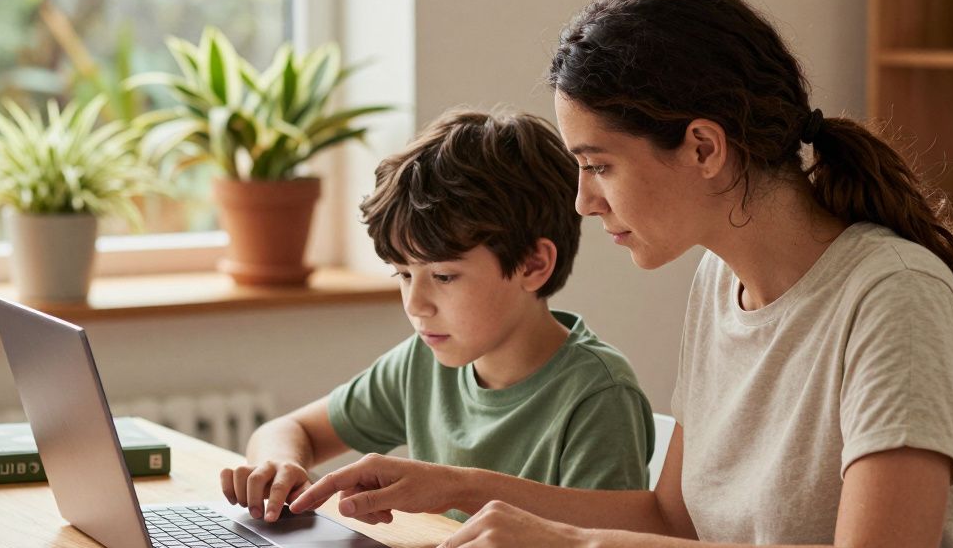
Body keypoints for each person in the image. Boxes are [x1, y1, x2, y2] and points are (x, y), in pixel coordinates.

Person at [287, 0, 953, 548]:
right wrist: (460, 485)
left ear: (703, 147)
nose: (582, 202)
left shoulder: (892, 294)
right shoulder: (719, 281)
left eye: (598, 165)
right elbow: (673, 520)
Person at [219, 108, 654, 524]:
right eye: (404, 274)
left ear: (533, 265)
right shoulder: (422, 363)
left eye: (444, 276)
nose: (415, 304)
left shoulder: (598, 395)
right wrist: (278, 465)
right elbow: (292, 430)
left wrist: (461, 488)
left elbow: (610, 547)